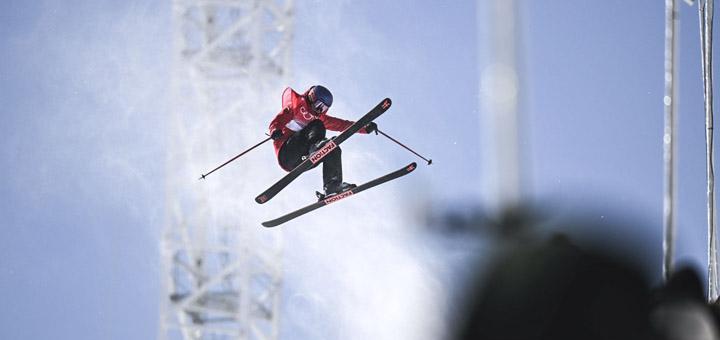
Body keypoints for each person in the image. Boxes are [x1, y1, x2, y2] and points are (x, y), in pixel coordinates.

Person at [268, 85, 377, 197]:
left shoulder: (321, 117)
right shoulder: (295, 106)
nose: (318, 109)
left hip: (303, 160)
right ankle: (315, 148)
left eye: (322, 108)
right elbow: (277, 121)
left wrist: (364, 127)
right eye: (317, 104)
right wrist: (275, 130)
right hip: (287, 153)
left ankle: (332, 185)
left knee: (332, 146)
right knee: (318, 124)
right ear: (311, 97)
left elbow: (342, 125)